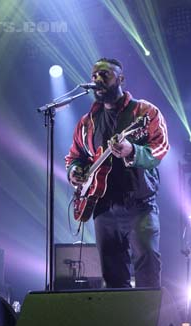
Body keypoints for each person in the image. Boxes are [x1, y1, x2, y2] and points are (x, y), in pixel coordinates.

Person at [65, 58, 169, 288]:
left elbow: (160, 148)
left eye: (105, 74)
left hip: (139, 203)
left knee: (147, 262)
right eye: (94, 76)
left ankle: (150, 320)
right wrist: (75, 172)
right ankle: (121, 321)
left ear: (120, 79)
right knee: (112, 274)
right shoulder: (87, 122)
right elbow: (74, 157)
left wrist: (133, 150)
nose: (97, 79)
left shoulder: (144, 112)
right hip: (103, 206)